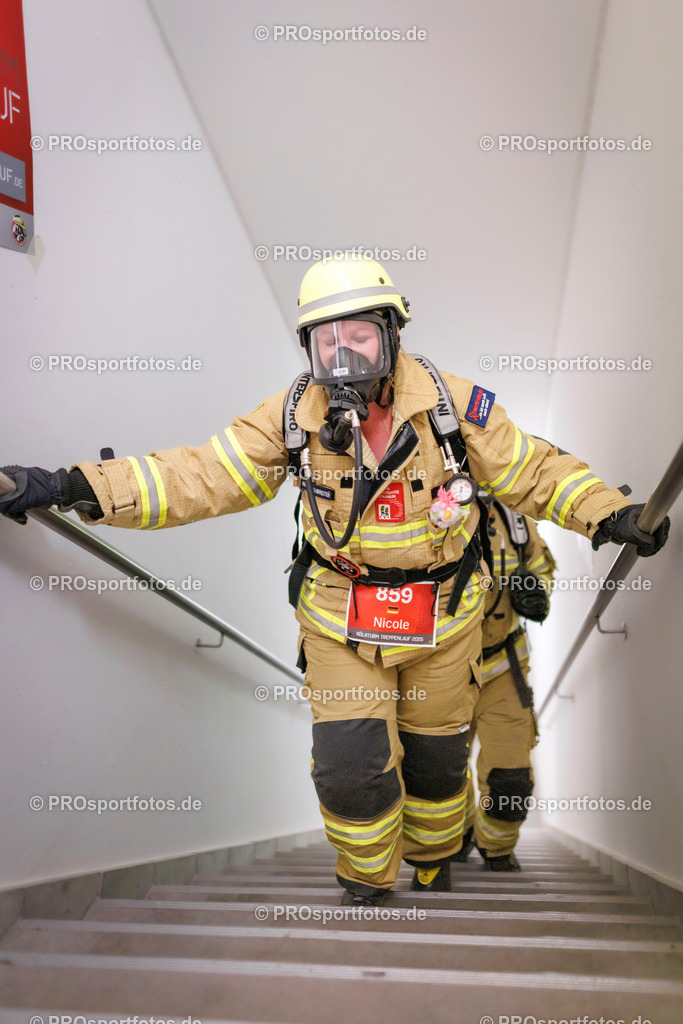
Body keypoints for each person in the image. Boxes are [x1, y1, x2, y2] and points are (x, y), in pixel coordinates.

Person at [0, 255, 669, 906]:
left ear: (391, 333)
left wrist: (608, 514)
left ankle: (434, 856)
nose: (343, 353)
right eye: (327, 339)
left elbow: (533, 469)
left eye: (359, 335)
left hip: (445, 618)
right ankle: (367, 877)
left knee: (436, 764)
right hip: (339, 618)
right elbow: (200, 474)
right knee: (349, 765)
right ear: (309, 347)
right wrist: (71, 486)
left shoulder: (452, 403)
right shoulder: (293, 415)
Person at [455, 498, 555, 872]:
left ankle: (496, 847)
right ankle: (455, 835)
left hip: (503, 666)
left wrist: (537, 592)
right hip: (441, 670)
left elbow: (541, 567)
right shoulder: (424, 506)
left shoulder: (516, 520)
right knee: (437, 770)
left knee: (511, 778)